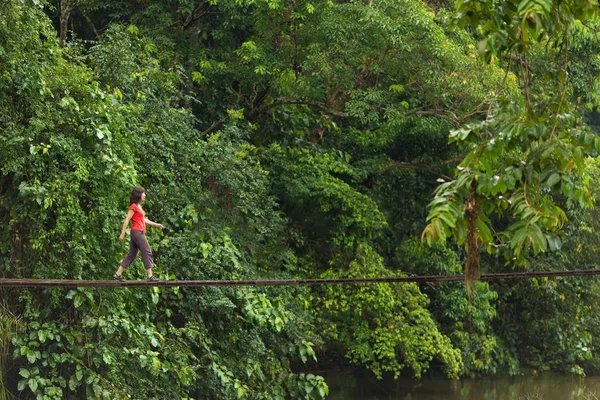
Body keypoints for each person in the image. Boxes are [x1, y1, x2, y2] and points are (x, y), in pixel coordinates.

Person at [113, 186, 164, 282]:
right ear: (139, 195)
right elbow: (127, 220)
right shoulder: (133, 206)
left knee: (132, 254)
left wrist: (156, 225)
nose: (144, 195)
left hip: (137, 232)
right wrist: (122, 233)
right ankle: (150, 276)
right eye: (143, 193)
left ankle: (118, 274)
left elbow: (143, 220)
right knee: (147, 250)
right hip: (137, 232)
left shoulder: (139, 207)